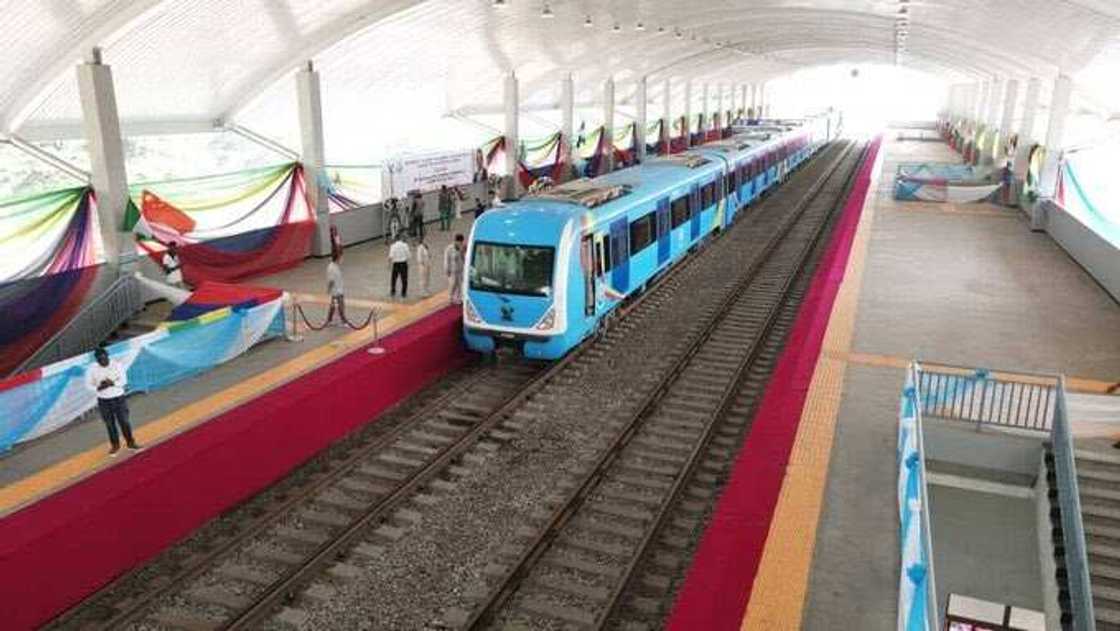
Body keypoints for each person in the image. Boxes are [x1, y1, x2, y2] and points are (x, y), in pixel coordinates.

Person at [85, 347, 140, 456]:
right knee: (110, 424)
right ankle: (115, 445)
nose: (102, 361)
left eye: (104, 359)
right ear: (96, 360)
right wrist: (98, 388)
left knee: (124, 421)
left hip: (118, 398)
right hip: (103, 400)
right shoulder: (91, 369)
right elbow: (88, 385)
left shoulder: (117, 365)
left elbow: (124, 380)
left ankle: (130, 442)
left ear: (107, 356)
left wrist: (112, 384)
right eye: (99, 360)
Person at [444, 233, 466, 305]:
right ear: (456, 241)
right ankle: (450, 298)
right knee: (453, 285)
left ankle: (459, 298)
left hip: (460, 269)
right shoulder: (449, 249)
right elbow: (446, 260)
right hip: (452, 270)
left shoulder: (462, 248)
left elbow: (463, 258)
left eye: (461, 242)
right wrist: (447, 270)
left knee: (460, 285)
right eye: (459, 242)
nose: (460, 243)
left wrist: (462, 252)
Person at [388, 235, 411, 299]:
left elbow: (390, 256)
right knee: (404, 279)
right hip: (403, 263)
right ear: (400, 238)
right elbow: (408, 255)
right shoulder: (405, 245)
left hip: (396, 264)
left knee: (394, 278)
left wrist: (389, 265)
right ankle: (403, 293)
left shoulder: (393, 246)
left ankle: (393, 291)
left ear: (395, 239)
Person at [326, 251, 346, 325]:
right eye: (341, 257)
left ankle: (329, 320)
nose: (342, 259)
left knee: (333, 306)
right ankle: (344, 321)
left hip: (339, 289)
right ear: (338, 258)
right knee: (340, 305)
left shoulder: (336, 266)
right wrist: (329, 290)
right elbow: (331, 281)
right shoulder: (331, 268)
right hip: (336, 291)